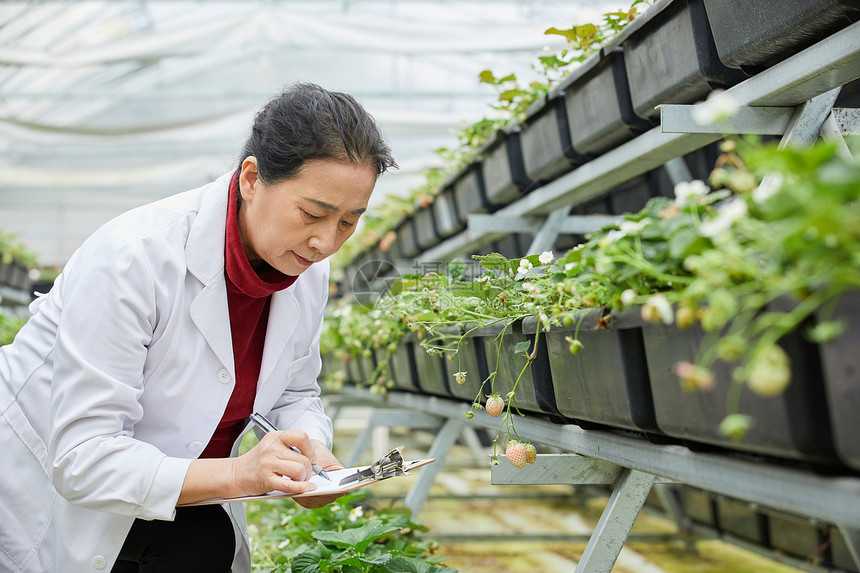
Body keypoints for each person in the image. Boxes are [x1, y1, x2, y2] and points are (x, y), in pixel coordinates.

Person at [0, 82, 397, 572]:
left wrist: (311, 453)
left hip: (186, 504)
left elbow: (295, 391)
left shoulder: (305, 268)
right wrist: (242, 473)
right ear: (251, 178)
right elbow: (83, 459)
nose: (325, 241)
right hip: (55, 504)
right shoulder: (133, 258)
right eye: (313, 213)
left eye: (349, 222)